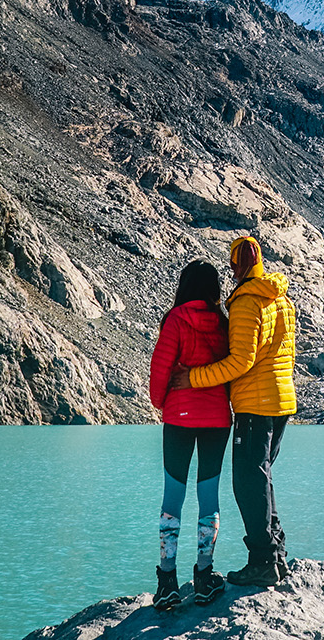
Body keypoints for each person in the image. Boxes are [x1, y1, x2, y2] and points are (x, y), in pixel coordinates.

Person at [168, 235, 297, 588]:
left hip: (255, 406)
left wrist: (192, 378)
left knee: (247, 482)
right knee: (263, 477)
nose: (231, 271)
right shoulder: (281, 298)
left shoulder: (244, 302)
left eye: (232, 264)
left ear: (238, 265)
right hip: (282, 402)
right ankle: (277, 554)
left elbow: (241, 361)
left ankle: (262, 562)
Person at [147, 260, 233, 610]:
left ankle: (168, 581)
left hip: (179, 417)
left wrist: (160, 402)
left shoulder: (176, 319)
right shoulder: (225, 323)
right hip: (216, 419)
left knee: (173, 495)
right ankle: (205, 577)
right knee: (208, 496)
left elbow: (160, 366)